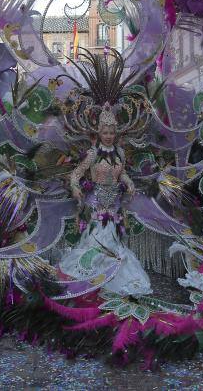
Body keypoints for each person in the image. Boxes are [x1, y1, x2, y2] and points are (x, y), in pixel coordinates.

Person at [60, 104, 151, 295]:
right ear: (99, 132)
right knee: (95, 241)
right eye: (105, 132)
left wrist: (129, 183)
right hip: (95, 206)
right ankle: (90, 276)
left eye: (111, 132)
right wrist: (75, 188)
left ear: (115, 133)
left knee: (113, 241)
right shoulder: (92, 154)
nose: (109, 136)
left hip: (114, 205)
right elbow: (76, 174)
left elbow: (123, 172)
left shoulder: (120, 153)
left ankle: (110, 277)